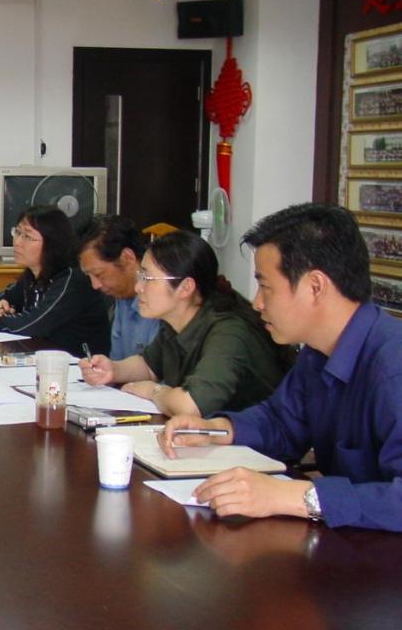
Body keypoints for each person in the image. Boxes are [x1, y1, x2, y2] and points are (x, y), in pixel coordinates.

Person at [160, 203, 402, 532]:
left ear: (315, 287)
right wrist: (215, 430)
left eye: (266, 287)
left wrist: (291, 496)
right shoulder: (317, 354)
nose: (257, 303)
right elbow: (282, 423)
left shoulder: (392, 367)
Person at [80, 230, 291, 417]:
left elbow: (190, 405)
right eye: (140, 276)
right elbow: (149, 365)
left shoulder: (228, 332)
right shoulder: (175, 321)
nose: (138, 288)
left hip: (254, 445)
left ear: (185, 287)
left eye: (148, 279)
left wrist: (154, 391)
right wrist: (113, 369)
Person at [0, 205, 110, 357]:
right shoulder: (31, 276)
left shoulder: (71, 279)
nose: (17, 242)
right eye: (17, 232)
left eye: (27, 237)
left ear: (52, 243)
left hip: (79, 366)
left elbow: (33, 325)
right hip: (43, 359)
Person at [78, 215, 160, 359]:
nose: (95, 285)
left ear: (127, 258)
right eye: (88, 276)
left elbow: (155, 369)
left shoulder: (161, 300)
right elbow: (118, 360)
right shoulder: (122, 296)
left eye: (98, 274)